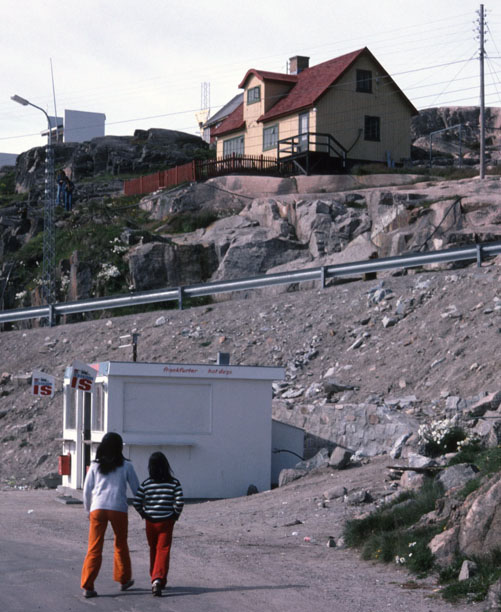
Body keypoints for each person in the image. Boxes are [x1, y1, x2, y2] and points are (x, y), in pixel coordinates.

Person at [81, 432, 139, 599]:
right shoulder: (127, 466)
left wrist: (88, 510)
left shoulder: (94, 466)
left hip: (97, 508)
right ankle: (123, 579)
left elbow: (87, 490)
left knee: (94, 547)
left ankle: (88, 585)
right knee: (120, 544)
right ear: (120, 447)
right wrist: (143, 506)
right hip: (118, 508)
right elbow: (136, 489)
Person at [132, 452, 184, 597]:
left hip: (150, 522)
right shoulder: (174, 483)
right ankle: (158, 579)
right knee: (164, 550)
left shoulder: (146, 483)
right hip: (166, 521)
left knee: (153, 549)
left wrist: (144, 514)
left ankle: (156, 578)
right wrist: (175, 515)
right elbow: (179, 502)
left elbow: (137, 502)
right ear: (166, 465)